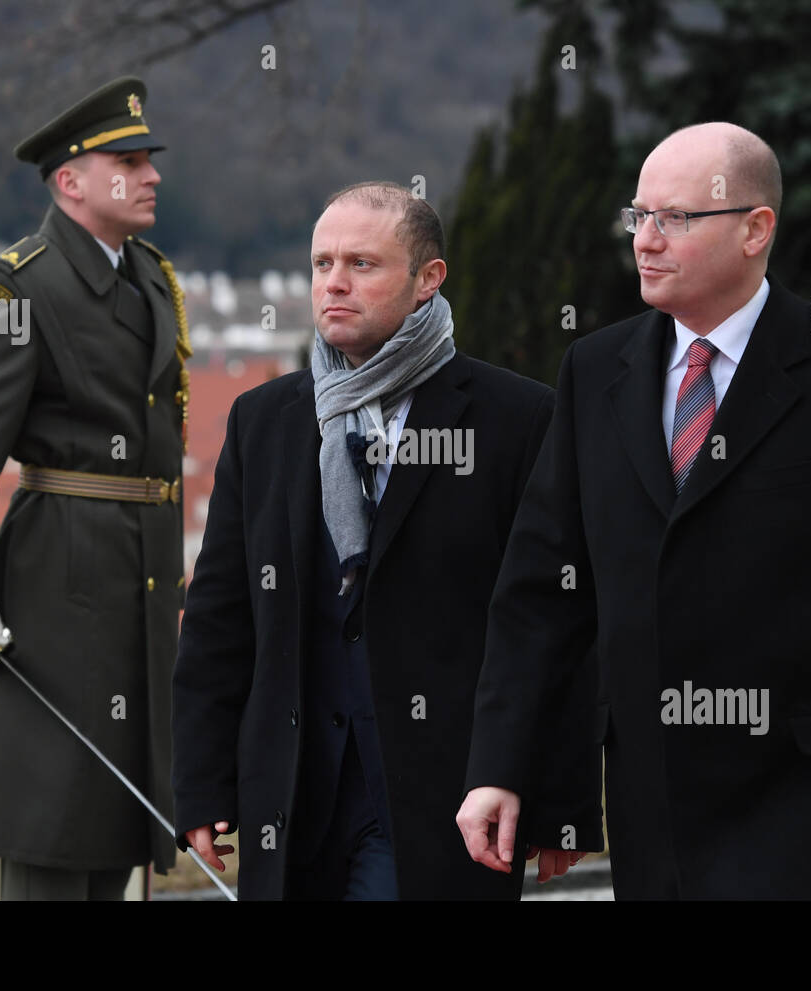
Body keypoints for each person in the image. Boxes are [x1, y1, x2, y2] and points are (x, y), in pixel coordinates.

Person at [456, 122, 811, 899]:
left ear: (757, 229)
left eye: (676, 219)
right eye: (639, 216)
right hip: (652, 807)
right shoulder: (594, 374)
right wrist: (500, 767)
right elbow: (539, 596)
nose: (646, 240)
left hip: (810, 809)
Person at [171, 181, 600, 900]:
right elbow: (221, 616)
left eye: (362, 264)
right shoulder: (265, 422)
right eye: (321, 263)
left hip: (447, 799)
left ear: (428, 278)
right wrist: (202, 782)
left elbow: (556, 625)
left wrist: (561, 802)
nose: (334, 282)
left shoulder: (518, 418)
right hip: (294, 796)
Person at [0, 76, 191, 900]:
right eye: (128, 161)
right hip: (55, 598)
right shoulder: (11, 293)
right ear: (70, 181)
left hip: (135, 589)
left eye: (149, 160)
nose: (151, 175)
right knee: (52, 829)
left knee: (112, 836)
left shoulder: (148, 277)